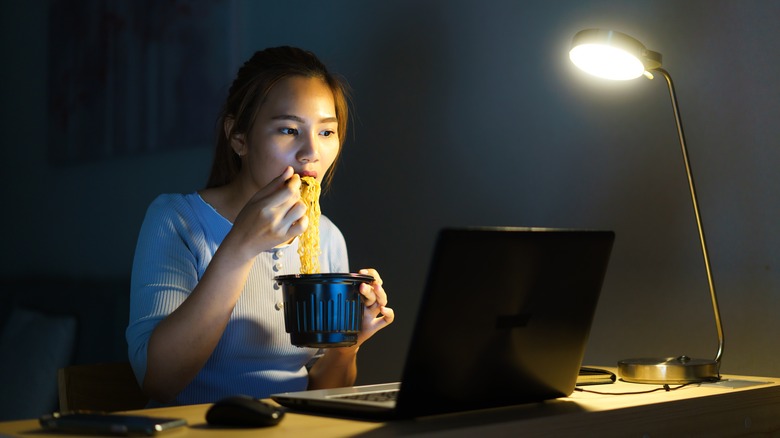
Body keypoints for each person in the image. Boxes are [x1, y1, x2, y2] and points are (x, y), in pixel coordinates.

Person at [125, 46, 394, 406]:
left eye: (327, 133)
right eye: (288, 129)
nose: (311, 152)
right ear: (238, 137)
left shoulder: (326, 236)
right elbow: (157, 382)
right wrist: (241, 245)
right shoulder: (176, 220)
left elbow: (326, 395)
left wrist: (348, 345)